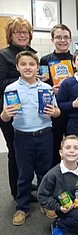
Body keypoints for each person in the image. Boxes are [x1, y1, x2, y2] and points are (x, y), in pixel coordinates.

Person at [0, 51, 60, 226]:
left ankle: (45, 203)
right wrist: (4, 114)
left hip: (45, 136)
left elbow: (57, 112)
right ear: (18, 67)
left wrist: (55, 112)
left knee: (44, 173)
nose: (28, 67)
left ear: (37, 67)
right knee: (24, 174)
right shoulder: (10, 89)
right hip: (22, 137)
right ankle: (22, 207)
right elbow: (4, 118)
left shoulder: (46, 88)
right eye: (24, 64)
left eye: (31, 64)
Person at [0, 16, 36, 200]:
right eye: (18, 32)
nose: (22, 35)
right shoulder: (3, 55)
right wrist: (26, 77)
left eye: (26, 32)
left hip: (30, 110)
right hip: (11, 112)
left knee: (28, 151)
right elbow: (1, 83)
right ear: (10, 35)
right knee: (15, 151)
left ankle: (26, 183)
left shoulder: (31, 53)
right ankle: (17, 191)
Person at [39, 24, 73, 167]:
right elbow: (41, 85)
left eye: (66, 37)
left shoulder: (76, 59)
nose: (62, 40)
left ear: (70, 40)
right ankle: (54, 178)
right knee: (54, 146)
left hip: (72, 109)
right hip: (53, 109)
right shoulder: (45, 60)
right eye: (58, 37)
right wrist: (50, 89)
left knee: (72, 145)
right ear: (52, 39)